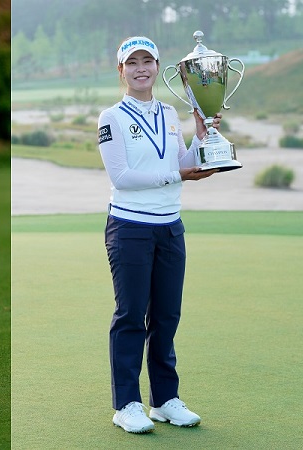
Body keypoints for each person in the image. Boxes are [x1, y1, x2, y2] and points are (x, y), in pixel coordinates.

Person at [97, 36, 221, 433]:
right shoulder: (111, 117)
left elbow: (180, 162)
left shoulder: (170, 112)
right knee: (131, 316)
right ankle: (126, 404)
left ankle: (164, 400)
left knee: (166, 317)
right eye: (131, 63)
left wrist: (202, 140)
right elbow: (123, 177)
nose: (140, 69)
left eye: (147, 61)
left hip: (170, 226)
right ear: (121, 71)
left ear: (156, 65)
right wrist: (178, 174)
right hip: (130, 227)